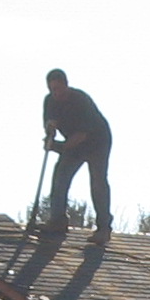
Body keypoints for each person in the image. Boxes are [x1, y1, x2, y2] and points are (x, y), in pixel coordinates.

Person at [41, 68, 113, 236]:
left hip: (97, 142)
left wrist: (59, 147)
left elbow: (81, 135)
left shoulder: (80, 100)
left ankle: (103, 227)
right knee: (60, 177)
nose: (56, 93)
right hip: (73, 144)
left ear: (66, 85)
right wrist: (50, 133)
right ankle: (57, 220)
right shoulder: (50, 102)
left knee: (98, 182)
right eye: (52, 90)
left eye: (58, 88)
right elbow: (50, 125)